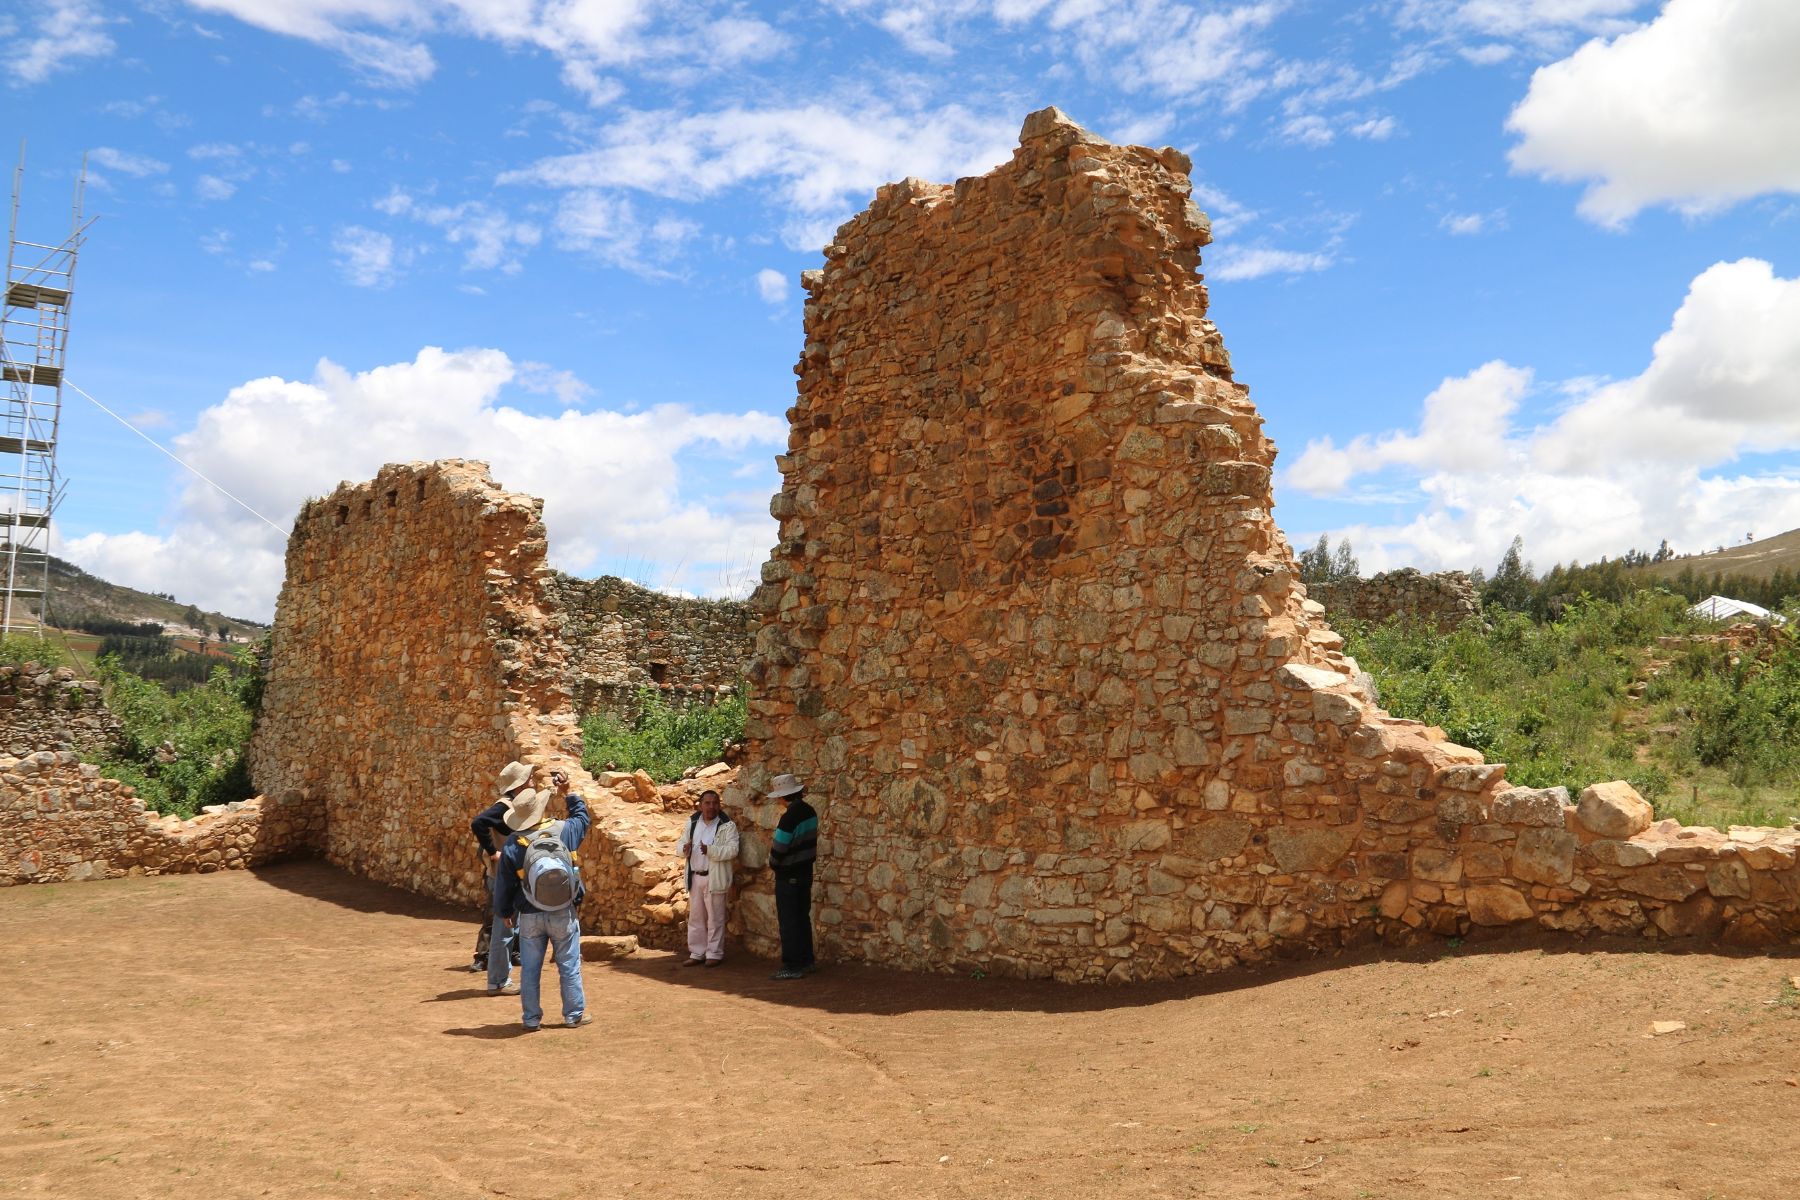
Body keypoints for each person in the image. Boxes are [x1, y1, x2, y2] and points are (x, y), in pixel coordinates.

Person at [492, 767, 592, 1031]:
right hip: (563, 911)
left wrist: (504, 912)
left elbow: (504, 883)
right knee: (569, 965)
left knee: (530, 970)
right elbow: (583, 818)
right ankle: (574, 1014)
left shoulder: (514, 843)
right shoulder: (563, 830)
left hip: (529, 914)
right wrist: (568, 792)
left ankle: (531, 1018)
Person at [469, 761, 528, 994]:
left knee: (508, 924)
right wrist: (493, 853)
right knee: (501, 925)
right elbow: (478, 822)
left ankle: (500, 972)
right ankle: (497, 978)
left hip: (508, 875)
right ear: (519, 785)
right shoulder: (504, 807)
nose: (532, 781)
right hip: (500, 876)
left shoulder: (515, 805)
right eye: (528, 779)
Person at [676, 789, 739, 967]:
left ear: (719, 805)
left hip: (714, 877)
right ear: (700, 805)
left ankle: (714, 954)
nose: (711, 807)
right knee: (696, 917)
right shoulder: (693, 822)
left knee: (715, 918)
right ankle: (697, 953)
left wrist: (711, 851)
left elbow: (733, 850)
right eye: (708, 803)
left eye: (715, 803)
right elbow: (680, 843)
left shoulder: (727, 825)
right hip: (695, 876)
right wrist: (684, 849)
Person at [765, 773, 817, 980]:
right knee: (802, 917)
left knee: (788, 921)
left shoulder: (789, 817)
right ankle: (807, 960)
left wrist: (773, 863)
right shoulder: (809, 811)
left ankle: (792, 965)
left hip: (789, 874)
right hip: (806, 871)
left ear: (783, 796)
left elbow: (779, 848)